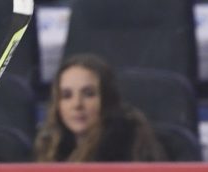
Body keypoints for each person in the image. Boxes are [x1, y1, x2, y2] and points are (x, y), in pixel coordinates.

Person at [33, 53, 164, 163]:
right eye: (67, 96)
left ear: (107, 98)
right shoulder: (50, 147)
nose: (77, 104)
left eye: (88, 94)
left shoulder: (128, 150)